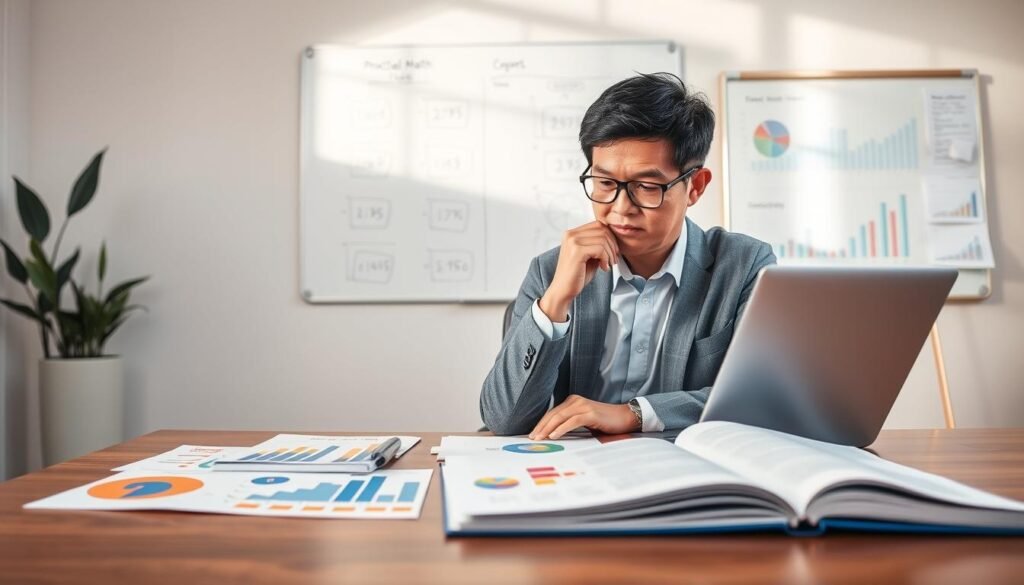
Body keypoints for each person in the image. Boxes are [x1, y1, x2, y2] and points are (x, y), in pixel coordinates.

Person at [480, 72, 776, 439]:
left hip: (685, 472)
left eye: (646, 187)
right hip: (576, 472)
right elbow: (503, 419)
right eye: (605, 183)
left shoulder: (745, 266)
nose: (620, 208)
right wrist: (555, 300)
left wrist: (634, 414)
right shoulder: (551, 270)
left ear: (695, 186)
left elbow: (761, 396)